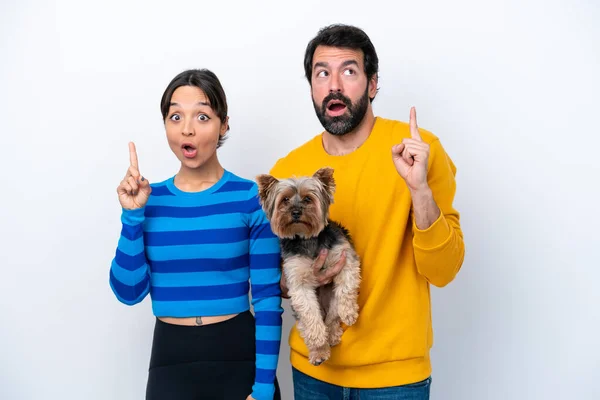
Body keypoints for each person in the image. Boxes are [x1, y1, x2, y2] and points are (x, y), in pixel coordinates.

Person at [269, 24, 466, 399]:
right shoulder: (290, 168)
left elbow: (444, 271)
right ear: (311, 87)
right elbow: (274, 280)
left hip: (395, 378)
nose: (334, 86)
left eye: (349, 71)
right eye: (322, 73)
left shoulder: (419, 151)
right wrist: (304, 277)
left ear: (373, 84)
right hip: (314, 372)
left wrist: (419, 189)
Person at [108, 69, 284, 400]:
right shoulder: (149, 199)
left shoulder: (251, 197)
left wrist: (261, 390)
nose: (187, 128)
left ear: (224, 124)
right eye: (176, 116)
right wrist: (132, 216)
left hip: (238, 356)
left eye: (202, 116)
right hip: (170, 360)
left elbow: (267, 299)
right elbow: (128, 292)